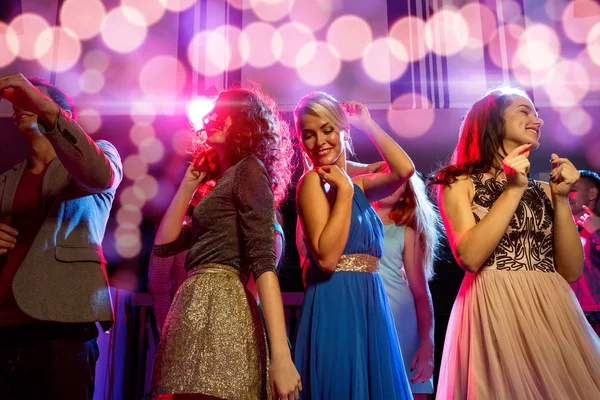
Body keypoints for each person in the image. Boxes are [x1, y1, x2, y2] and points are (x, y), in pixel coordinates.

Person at [432, 87, 600, 399]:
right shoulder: (458, 181)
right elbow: (469, 256)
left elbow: (571, 270)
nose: (537, 120)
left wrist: (561, 198)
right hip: (496, 304)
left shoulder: (546, 189)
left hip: (552, 307)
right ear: (493, 122)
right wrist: (512, 190)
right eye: (524, 111)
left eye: (536, 113)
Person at [150, 87, 301, 400]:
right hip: (195, 303)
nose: (215, 118)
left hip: (222, 305)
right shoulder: (224, 180)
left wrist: (282, 357)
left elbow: (263, 263)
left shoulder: (249, 169)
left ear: (245, 123)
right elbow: (164, 246)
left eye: (225, 114)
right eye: (214, 113)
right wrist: (189, 183)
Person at [0, 74, 122, 399]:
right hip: (4, 327)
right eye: (17, 105)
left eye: (30, 100)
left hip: (62, 325)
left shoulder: (101, 156)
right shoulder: (6, 180)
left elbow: (97, 175)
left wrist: (42, 105)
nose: (20, 107)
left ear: (61, 112)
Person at [292, 92, 415, 399]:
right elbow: (328, 259)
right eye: (309, 135)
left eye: (327, 129)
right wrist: (344, 193)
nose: (319, 141)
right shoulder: (311, 184)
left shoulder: (357, 184)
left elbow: (404, 171)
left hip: (370, 302)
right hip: (335, 300)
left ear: (342, 131)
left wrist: (367, 124)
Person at [372, 172, 440, 399]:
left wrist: (427, 345)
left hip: (402, 321)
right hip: (366, 321)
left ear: (404, 195)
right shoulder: (353, 225)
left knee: (412, 389)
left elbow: (422, 294)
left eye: (398, 182)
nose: (391, 184)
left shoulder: (406, 232)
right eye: (385, 177)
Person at [569, 170, 600, 336]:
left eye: (572, 189)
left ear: (593, 193)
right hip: (570, 315)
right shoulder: (562, 228)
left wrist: (598, 233)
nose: (566, 194)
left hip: (596, 317)